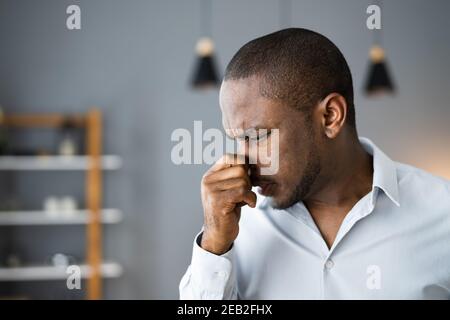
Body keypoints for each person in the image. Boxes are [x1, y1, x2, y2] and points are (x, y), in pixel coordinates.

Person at [179, 28, 450, 299]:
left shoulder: (442, 214)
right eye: (237, 139)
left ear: (331, 116)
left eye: (258, 135)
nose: (243, 162)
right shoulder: (232, 229)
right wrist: (213, 246)